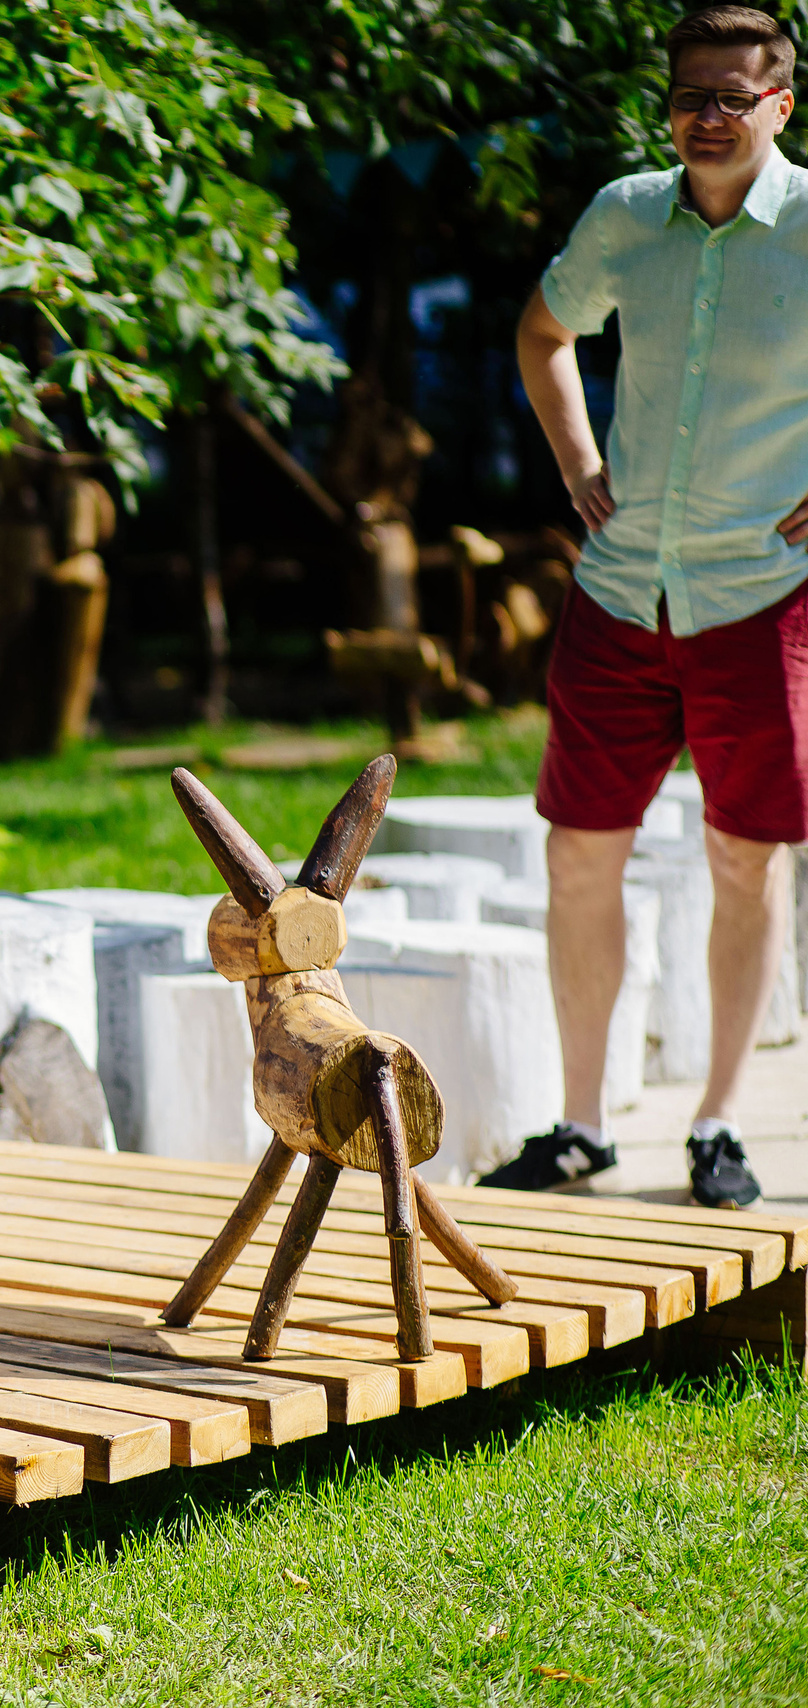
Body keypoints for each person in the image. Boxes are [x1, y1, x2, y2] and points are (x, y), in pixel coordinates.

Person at [505, 3, 806, 1207]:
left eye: (734, 96)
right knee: (578, 859)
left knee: (745, 861)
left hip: (757, 599)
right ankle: (580, 1125)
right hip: (620, 593)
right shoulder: (627, 215)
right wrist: (578, 466)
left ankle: (717, 1126)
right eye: (690, 95)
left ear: (780, 105)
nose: (708, 117)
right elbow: (541, 334)